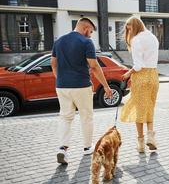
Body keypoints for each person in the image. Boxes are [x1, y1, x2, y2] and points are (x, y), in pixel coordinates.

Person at [51, 17, 113, 165]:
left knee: (65, 117)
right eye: (90, 31)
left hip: (61, 86)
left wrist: (61, 79)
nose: (90, 35)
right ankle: (86, 147)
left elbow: (53, 64)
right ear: (85, 28)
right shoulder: (86, 42)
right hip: (81, 86)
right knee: (86, 116)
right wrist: (106, 86)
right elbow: (94, 66)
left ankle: (62, 149)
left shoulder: (58, 41)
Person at [120, 17, 159, 153]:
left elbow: (138, 66)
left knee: (139, 110)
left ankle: (141, 144)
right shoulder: (153, 37)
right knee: (149, 107)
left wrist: (128, 74)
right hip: (153, 76)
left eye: (129, 28)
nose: (128, 32)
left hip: (141, 77)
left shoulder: (136, 40)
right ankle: (151, 137)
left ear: (134, 26)